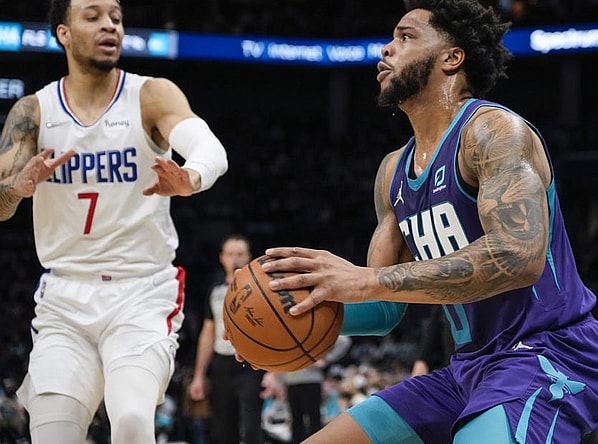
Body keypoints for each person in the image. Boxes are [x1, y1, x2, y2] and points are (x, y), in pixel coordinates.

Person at [241, 1, 598, 442]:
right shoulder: (392, 172)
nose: (386, 49)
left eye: (405, 37)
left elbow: (518, 256)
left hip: (546, 352)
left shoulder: (492, 132)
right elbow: (383, 307)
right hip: (467, 369)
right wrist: (290, 310)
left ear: (451, 58)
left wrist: (366, 280)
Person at [0, 0, 228, 442]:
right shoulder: (35, 111)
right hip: (65, 298)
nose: (110, 26)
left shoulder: (150, 95)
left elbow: (210, 148)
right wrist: (17, 189)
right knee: (52, 434)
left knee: (132, 422)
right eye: (93, 16)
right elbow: (1, 204)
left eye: (116, 18)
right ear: (64, 33)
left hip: (141, 292)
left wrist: (192, 177)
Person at [188, 234, 266, 444]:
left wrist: (274, 373)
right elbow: (207, 333)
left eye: (240, 254)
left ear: (249, 257)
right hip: (221, 363)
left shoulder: (262, 289)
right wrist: (199, 375)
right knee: (222, 429)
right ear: (222, 258)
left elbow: (274, 331)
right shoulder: (215, 291)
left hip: (252, 363)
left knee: (251, 427)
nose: (235, 259)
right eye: (230, 254)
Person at [278, 335, 352, 443]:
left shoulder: (312, 331)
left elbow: (344, 341)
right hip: (291, 381)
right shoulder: (286, 334)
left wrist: (326, 359)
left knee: (314, 419)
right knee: (295, 421)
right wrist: (281, 381)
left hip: (311, 380)